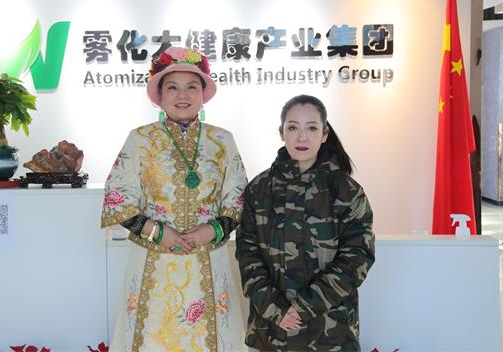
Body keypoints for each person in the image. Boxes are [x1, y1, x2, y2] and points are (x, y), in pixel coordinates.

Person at [101, 47, 248, 352]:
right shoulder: (140, 139)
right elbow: (118, 200)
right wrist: (157, 232)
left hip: (209, 258)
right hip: (153, 260)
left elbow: (238, 199)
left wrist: (211, 231)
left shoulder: (223, 140)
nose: (183, 95)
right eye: (172, 87)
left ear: (203, 94)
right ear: (159, 95)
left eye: (192, 86)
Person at [235, 94, 375, 351]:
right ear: (281, 133)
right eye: (293, 128)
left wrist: (305, 307)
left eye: (311, 128)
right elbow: (247, 255)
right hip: (272, 332)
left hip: (330, 332)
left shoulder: (345, 190)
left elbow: (357, 257)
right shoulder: (259, 189)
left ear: (324, 134)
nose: (302, 137)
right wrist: (275, 309)